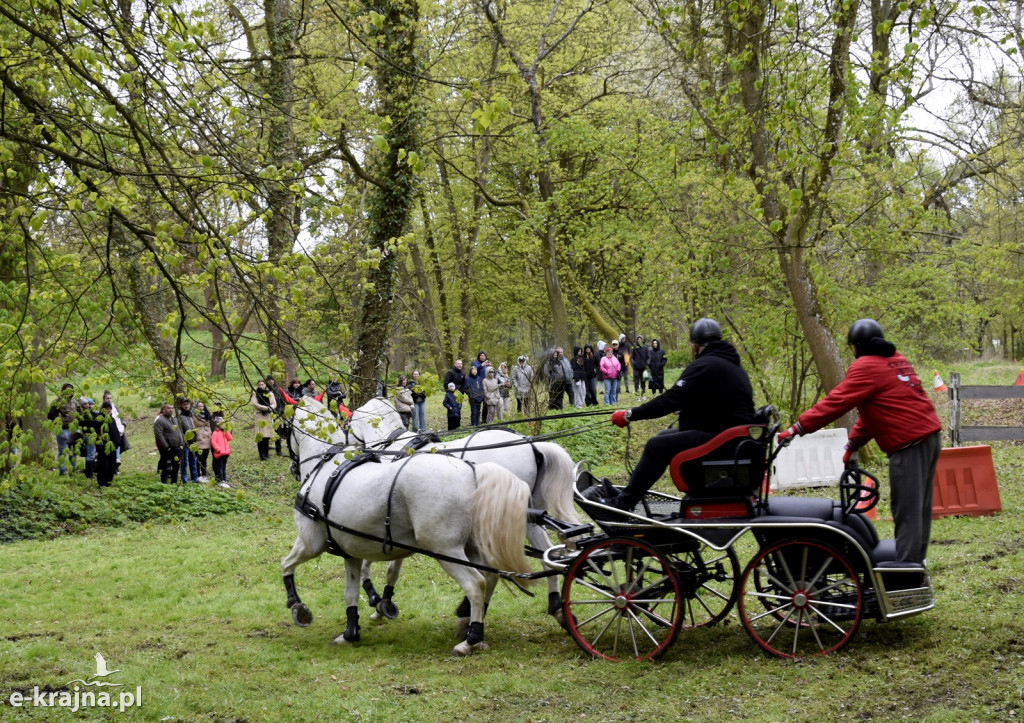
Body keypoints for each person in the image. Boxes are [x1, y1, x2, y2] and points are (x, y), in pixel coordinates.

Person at [777, 319, 942, 565]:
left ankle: (907, 574)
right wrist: (853, 444)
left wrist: (798, 427)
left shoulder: (866, 366)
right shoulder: (897, 361)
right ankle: (915, 562)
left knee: (907, 510)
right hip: (930, 437)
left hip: (909, 444)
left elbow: (837, 401)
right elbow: (876, 412)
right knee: (920, 508)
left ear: (858, 346)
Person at [598, 318, 755, 511]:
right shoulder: (729, 364)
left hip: (723, 441)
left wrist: (629, 415)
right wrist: (688, 408)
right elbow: (718, 403)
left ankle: (624, 503)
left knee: (656, 446)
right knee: (663, 436)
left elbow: (669, 399)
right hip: (730, 438)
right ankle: (628, 494)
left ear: (696, 345)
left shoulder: (706, 365)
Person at [84, 401, 122, 487]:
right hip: (103, 446)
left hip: (112, 446)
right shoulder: (99, 419)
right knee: (103, 464)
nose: (108, 411)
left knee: (112, 465)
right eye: (107, 409)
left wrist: (117, 443)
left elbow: (115, 432)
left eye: (110, 409)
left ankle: (109, 481)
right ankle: (101, 482)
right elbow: (96, 432)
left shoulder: (112, 419)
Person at [47, 383, 78, 475]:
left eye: (71, 390)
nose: (69, 392)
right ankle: (61, 471)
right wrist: (58, 423)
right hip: (62, 429)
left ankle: (73, 469)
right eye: (67, 390)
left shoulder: (75, 402)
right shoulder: (57, 402)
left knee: (73, 451)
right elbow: (50, 415)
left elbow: (79, 414)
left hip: (73, 430)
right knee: (63, 451)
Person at [153, 403, 184, 484]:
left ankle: (174, 483)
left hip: (178, 448)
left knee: (176, 467)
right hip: (168, 449)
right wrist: (167, 447)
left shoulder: (175, 419)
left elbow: (179, 432)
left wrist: (181, 444)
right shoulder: (160, 420)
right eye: (168, 408)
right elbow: (159, 435)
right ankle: (164, 484)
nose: (171, 410)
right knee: (166, 468)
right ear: (163, 409)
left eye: (172, 408)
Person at [251, 379, 277, 460]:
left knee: (267, 437)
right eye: (259, 385)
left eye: (262, 384)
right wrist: (266, 408)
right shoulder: (255, 394)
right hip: (260, 416)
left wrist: (270, 408)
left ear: (265, 385)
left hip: (268, 416)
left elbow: (274, 404)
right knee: (260, 437)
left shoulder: (270, 393)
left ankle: (266, 453)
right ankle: (261, 455)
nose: (261, 386)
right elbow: (255, 404)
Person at [101, 390, 127, 470]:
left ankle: (116, 462)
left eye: (110, 398)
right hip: (107, 433)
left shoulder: (116, 408)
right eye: (107, 398)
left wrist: (123, 426)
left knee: (117, 446)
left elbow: (122, 418)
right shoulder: (102, 409)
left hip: (118, 431)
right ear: (104, 399)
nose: (109, 400)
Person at [176, 397, 200, 483]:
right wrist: (182, 442)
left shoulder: (191, 414)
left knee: (193, 461)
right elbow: (179, 430)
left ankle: (195, 478)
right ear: (181, 405)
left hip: (193, 442)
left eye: (187, 404)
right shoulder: (179, 415)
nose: (186, 406)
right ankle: (184, 479)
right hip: (185, 442)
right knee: (184, 462)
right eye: (184, 404)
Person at [265, 376, 288, 456]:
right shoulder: (265, 391)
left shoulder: (278, 390)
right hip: (267, 413)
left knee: (278, 432)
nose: (270, 381)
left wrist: (281, 411)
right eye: (268, 380)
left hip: (277, 413)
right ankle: (266, 449)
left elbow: (282, 402)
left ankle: (279, 450)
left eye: (272, 380)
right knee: (266, 431)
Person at [209, 413, 232, 489]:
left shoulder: (224, 432)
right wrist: (219, 450)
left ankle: (224, 480)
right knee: (219, 467)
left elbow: (230, 438)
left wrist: (226, 430)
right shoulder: (215, 433)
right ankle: (220, 480)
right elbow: (213, 442)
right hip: (220, 453)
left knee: (224, 467)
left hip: (226, 453)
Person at [193, 401, 212, 482]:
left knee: (204, 458)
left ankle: (204, 474)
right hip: (199, 438)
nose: (201, 408)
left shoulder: (207, 415)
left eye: (202, 406)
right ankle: (198, 474)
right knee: (198, 458)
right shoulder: (194, 416)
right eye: (199, 406)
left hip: (207, 438)